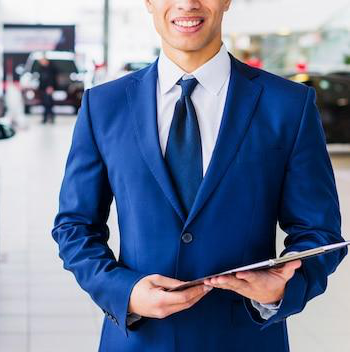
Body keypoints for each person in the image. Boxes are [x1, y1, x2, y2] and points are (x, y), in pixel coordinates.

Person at [51, 1, 347, 351]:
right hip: (140, 340)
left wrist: (281, 289)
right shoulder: (104, 106)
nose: (188, 3)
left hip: (244, 339)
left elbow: (319, 232)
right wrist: (123, 291)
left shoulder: (288, 105)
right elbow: (74, 225)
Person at [36, 56, 57, 124]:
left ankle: (49, 118)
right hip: (42, 88)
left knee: (48, 104)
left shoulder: (51, 69)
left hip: (48, 89)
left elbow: (52, 79)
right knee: (45, 104)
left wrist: (50, 87)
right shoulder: (41, 69)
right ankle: (47, 118)